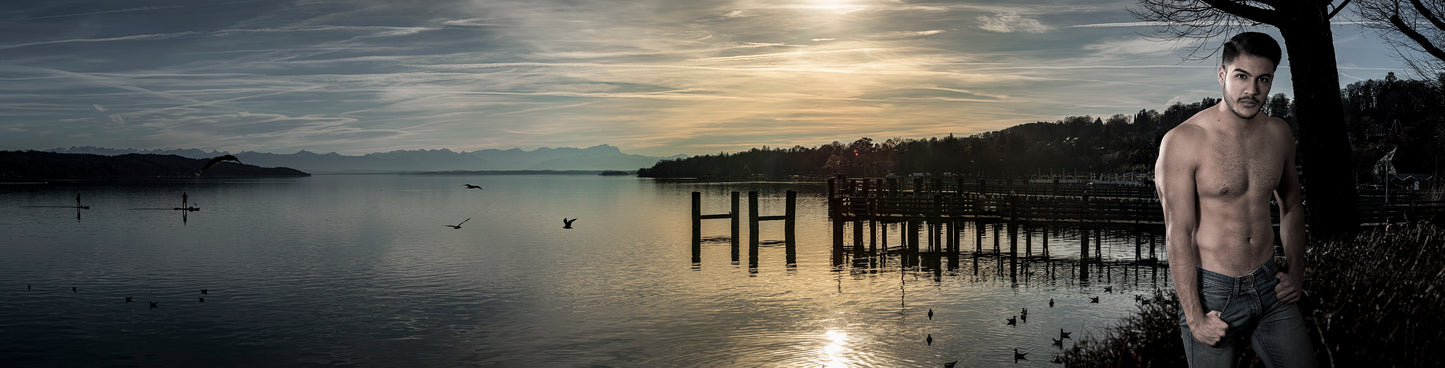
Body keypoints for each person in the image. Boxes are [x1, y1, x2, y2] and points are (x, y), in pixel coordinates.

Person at [1155, 32, 1316, 367]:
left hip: (1269, 284)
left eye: (1263, 80)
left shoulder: (1279, 134)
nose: (1252, 90)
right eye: (1241, 77)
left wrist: (1297, 274)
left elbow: (1291, 207)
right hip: (1214, 292)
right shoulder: (1183, 141)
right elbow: (1177, 234)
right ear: (1222, 75)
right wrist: (1196, 318)